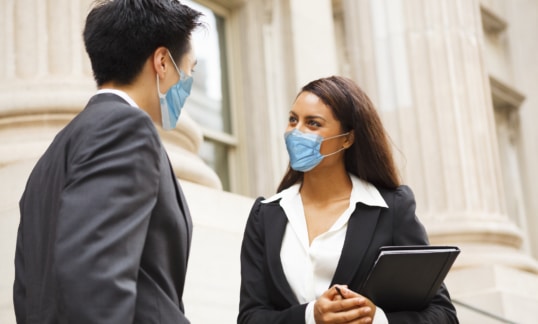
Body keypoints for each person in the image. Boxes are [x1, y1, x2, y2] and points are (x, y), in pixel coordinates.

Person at [13, 1, 203, 323]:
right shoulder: (126, 129)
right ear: (161, 62)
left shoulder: (49, 160)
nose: (187, 81)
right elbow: (94, 277)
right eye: (189, 69)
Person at [238, 76, 459, 324]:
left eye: (313, 123)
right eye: (293, 120)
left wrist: (376, 320)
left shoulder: (391, 209)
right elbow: (250, 317)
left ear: (347, 138)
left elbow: (444, 316)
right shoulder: (265, 215)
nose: (295, 132)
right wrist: (311, 317)